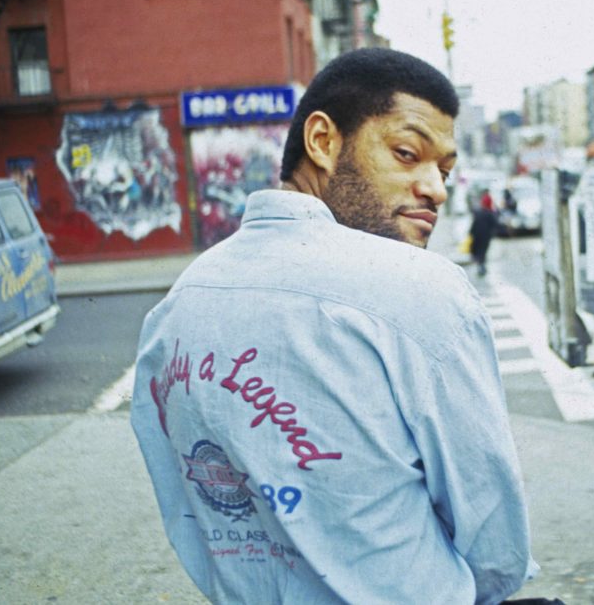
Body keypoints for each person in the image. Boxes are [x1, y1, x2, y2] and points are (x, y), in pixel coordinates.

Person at [131, 48, 538, 605]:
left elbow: (187, 512)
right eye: (406, 153)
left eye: (443, 171)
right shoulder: (423, 292)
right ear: (323, 141)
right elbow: (495, 544)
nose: (436, 189)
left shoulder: (177, 307)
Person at [469, 189, 499, 277]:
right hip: (486, 236)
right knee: (483, 252)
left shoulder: (478, 212)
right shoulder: (491, 213)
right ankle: (482, 266)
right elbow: (495, 224)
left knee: (478, 251)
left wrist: (471, 233)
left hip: (477, 235)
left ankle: (480, 266)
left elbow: (474, 224)